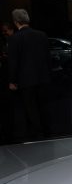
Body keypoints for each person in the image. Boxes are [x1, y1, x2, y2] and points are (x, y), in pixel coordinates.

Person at [7, 9, 51, 140]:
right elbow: (48, 58)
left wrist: (12, 81)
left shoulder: (14, 38)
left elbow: (13, 62)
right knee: (43, 106)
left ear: (16, 22)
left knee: (30, 108)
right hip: (43, 78)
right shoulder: (42, 35)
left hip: (25, 80)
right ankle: (47, 132)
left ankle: (37, 134)